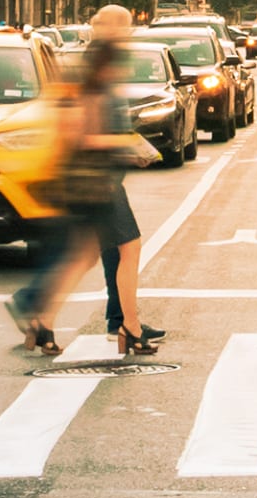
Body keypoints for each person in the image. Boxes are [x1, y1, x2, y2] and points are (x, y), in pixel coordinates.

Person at [10, 39, 157, 356]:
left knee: (82, 257)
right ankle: (129, 327)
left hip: (90, 183)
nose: (124, 70)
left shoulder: (86, 89)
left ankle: (42, 320)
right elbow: (81, 137)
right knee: (129, 249)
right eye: (120, 64)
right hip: (99, 184)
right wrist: (125, 144)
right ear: (106, 66)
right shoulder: (92, 93)